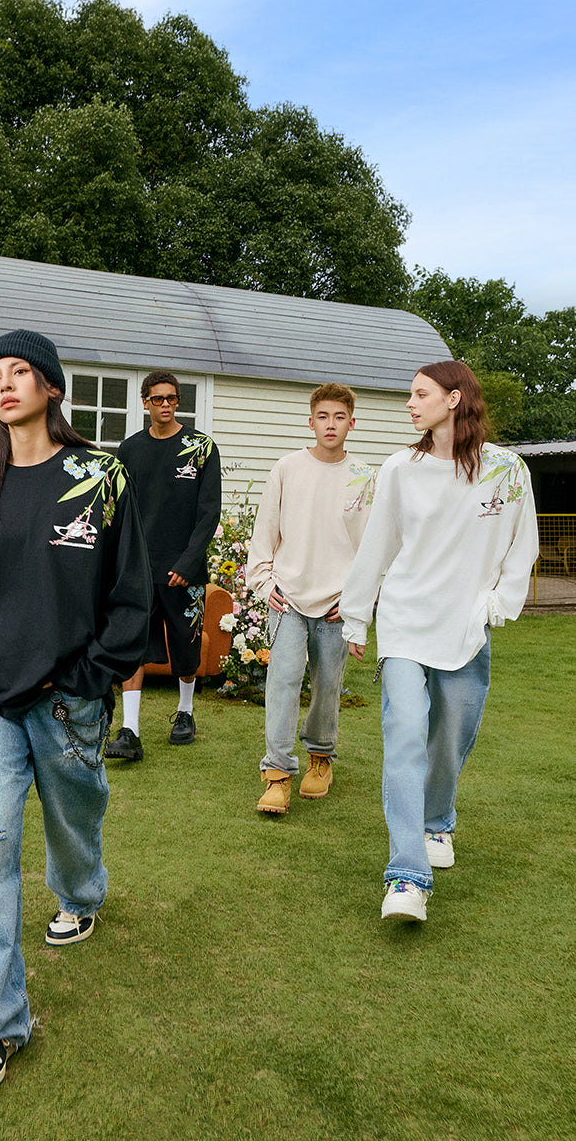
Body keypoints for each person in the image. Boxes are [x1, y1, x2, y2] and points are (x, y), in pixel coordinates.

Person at [0, 329, 151, 1095]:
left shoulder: (101, 474)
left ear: (51, 386)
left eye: (22, 372)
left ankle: (81, 894)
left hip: (68, 698)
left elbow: (130, 588)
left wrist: (96, 673)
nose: (6, 383)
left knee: (73, 816)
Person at [339, 361, 538, 923]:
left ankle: (437, 823)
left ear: (454, 399)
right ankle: (406, 875)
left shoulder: (507, 470)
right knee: (403, 737)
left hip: (465, 626)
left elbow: (523, 543)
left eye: (419, 393)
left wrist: (498, 604)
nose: (409, 402)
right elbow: (377, 545)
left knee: (450, 736)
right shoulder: (401, 467)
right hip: (404, 620)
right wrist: (357, 617)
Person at [246, 383, 376, 813]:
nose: (331, 424)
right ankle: (277, 773)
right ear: (311, 421)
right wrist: (266, 585)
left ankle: (321, 757)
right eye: (323, 416)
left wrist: (358, 600)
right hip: (288, 597)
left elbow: (373, 546)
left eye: (339, 417)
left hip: (337, 602)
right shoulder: (287, 468)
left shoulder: (363, 477)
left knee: (326, 684)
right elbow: (265, 532)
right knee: (282, 680)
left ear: (352, 423)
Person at [106, 370, 221, 760]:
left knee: (186, 650)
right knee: (133, 645)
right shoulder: (130, 450)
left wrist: (188, 563)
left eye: (172, 398)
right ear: (145, 403)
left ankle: (185, 714)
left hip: (184, 571)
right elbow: (118, 510)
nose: (167, 405)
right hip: (139, 569)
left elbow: (209, 514)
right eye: (158, 399)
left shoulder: (200, 447)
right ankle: (129, 730)